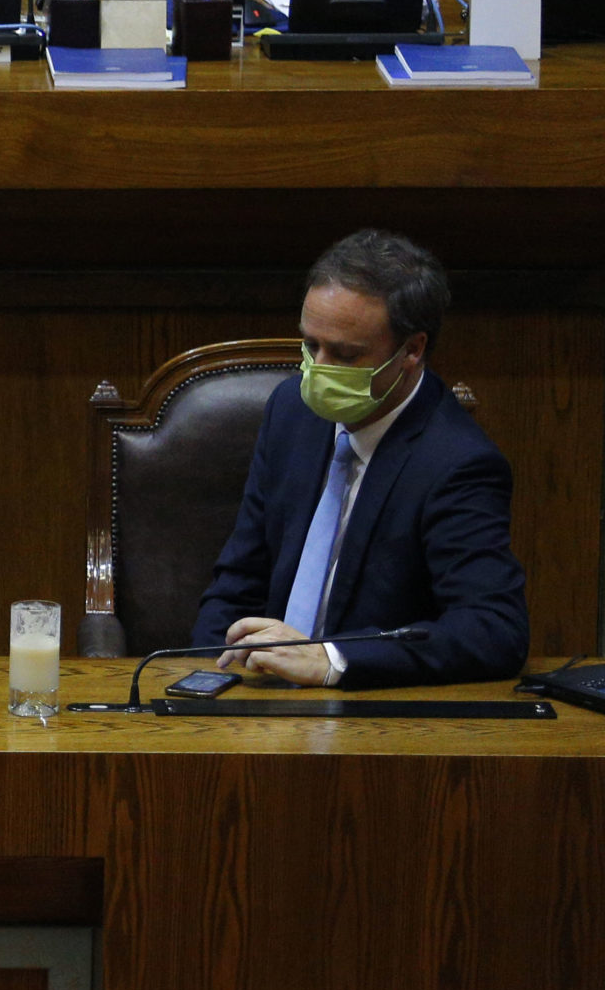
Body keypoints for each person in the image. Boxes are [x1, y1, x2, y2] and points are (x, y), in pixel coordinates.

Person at [194, 230, 528, 688]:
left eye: (345, 354)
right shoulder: (292, 411)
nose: (319, 368)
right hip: (258, 695)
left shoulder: (457, 462)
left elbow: (494, 630)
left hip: (365, 706)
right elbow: (238, 581)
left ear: (412, 350)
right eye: (311, 345)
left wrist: (333, 660)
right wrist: (208, 676)